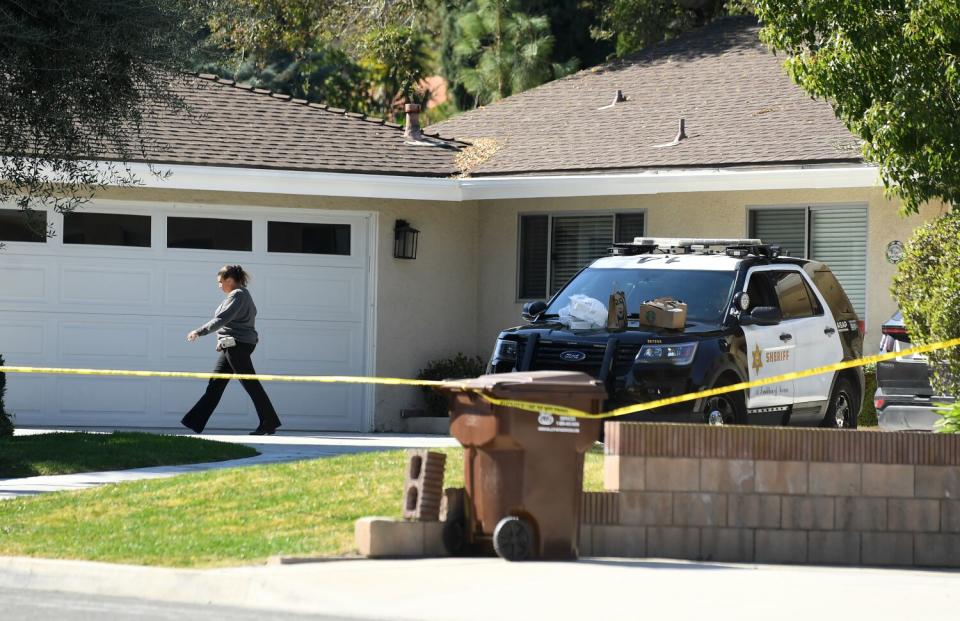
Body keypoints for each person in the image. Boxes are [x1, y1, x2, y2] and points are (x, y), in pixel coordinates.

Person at [181, 265, 282, 436]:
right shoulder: (242, 295)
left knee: (250, 384)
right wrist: (222, 340)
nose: (219, 285)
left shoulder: (238, 295)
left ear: (229, 280)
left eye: (220, 282)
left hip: (237, 346)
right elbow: (237, 322)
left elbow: (222, 319)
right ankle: (194, 422)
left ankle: (269, 422)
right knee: (216, 383)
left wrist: (199, 331)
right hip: (232, 345)